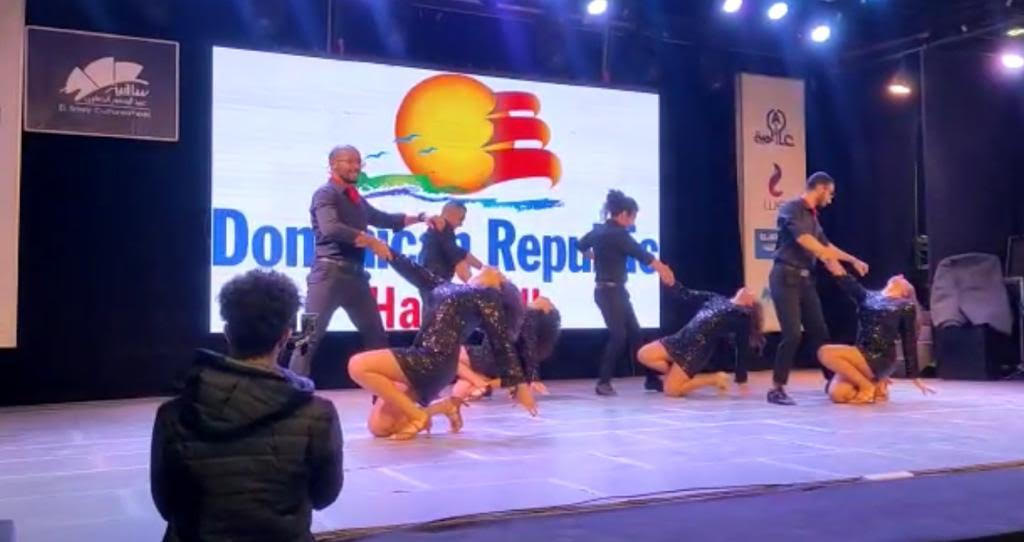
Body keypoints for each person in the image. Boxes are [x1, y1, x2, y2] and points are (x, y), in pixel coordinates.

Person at [151, 270, 343, 542]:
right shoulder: (318, 414)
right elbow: (323, 496)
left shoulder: (173, 414)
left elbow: (167, 503)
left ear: (227, 333)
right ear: (286, 336)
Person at [348, 253, 537, 440]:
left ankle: (418, 415)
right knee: (380, 427)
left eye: (500, 275)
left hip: (432, 361)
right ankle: (442, 406)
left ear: (496, 288)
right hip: (429, 360)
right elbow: (417, 272)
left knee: (358, 365)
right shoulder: (451, 288)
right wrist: (386, 252)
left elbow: (501, 342)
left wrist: (519, 384)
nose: (494, 268)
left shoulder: (488, 296)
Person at [289, 145, 431, 377]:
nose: (355, 166)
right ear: (333, 165)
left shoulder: (355, 198)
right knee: (306, 338)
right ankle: (292, 390)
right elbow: (330, 228)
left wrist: (422, 217)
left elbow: (384, 219)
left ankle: (385, 395)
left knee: (377, 338)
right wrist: (371, 241)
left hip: (355, 279)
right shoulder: (325, 194)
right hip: (327, 276)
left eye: (358, 162)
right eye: (349, 161)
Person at [768, 171, 869, 405]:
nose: (830, 199)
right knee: (792, 334)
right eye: (830, 194)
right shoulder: (791, 208)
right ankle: (776, 388)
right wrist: (825, 254)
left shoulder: (813, 218)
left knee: (820, 332)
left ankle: (832, 380)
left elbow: (826, 245)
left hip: (805, 280)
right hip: (785, 276)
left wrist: (852, 260)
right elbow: (806, 241)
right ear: (821, 188)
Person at [577, 189, 676, 396]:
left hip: (614, 292)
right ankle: (603, 382)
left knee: (636, 334)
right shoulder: (619, 235)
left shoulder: (599, 231)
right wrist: (664, 270)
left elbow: (580, 245)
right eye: (633, 217)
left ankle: (651, 379)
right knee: (619, 336)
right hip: (610, 293)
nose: (633, 222)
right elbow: (643, 255)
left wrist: (592, 256)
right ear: (623, 214)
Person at [818, 260, 936, 403]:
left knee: (825, 352)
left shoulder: (905, 306)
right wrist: (833, 265)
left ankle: (866, 385)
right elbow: (849, 283)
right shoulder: (868, 296)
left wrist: (914, 377)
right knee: (838, 394)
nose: (900, 275)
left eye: (904, 280)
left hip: (881, 358)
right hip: (860, 354)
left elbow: (909, 342)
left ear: (905, 293)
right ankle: (874, 385)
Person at [637, 282, 764, 397]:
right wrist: (672, 284)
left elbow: (741, 348)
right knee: (643, 354)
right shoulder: (716, 298)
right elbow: (688, 294)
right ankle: (676, 376)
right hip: (680, 339)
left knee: (671, 391)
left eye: (752, 294)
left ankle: (714, 379)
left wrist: (742, 380)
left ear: (750, 304)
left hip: (695, 351)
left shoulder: (741, 317)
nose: (749, 290)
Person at [453, 296, 562, 401]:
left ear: (546, 311)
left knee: (449, 354)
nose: (536, 299)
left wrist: (534, 377)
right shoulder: (537, 334)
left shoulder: (529, 317)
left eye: (549, 303)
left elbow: (529, 346)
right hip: (500, 366)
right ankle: (482, 383)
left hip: (489, 357)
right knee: (460, 390)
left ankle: (480, 383)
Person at [420, 201, 483, 284]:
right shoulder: (442, 225)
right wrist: (482, 268)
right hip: (433, 277)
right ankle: (473, 286)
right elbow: (457, 254)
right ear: (451, 214)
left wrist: (482, 267)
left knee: (460, 259)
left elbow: (458, 252)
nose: (461, 224)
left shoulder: (445, 233)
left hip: (433, 276)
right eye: (461, 219)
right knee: (460, 261)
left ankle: (473, 285)